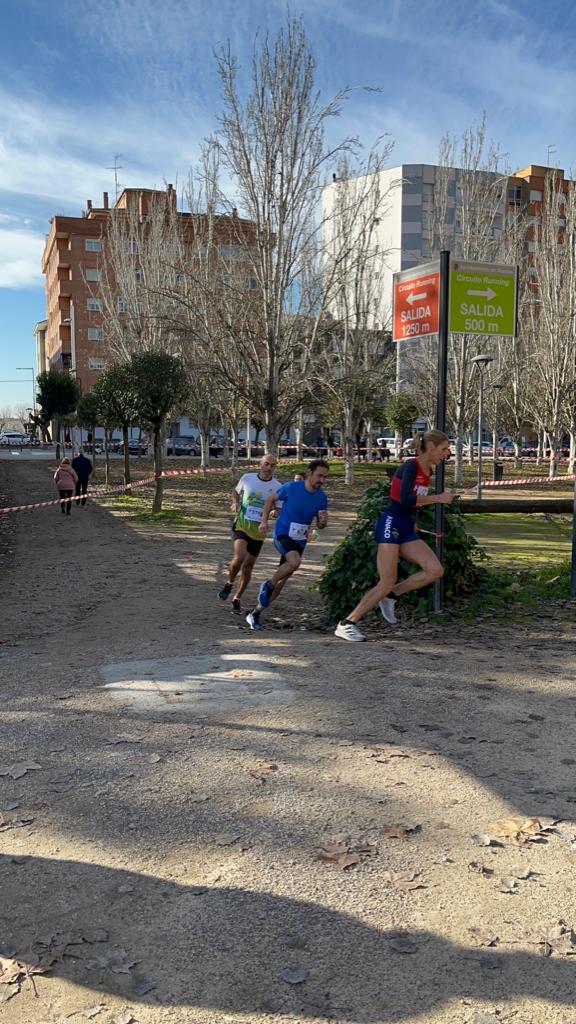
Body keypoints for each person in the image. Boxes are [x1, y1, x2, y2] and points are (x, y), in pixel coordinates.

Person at [334, 429, 454, 642]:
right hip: (391, 523)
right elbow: (406, 499)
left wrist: (414, 522)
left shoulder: (428, 471)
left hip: (406, 527)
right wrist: (439, 498)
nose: (447, 453)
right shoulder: (411, 466)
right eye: (444, 449)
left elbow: (414, 503)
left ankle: (391, 596)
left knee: (435, 570)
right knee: (387, 580)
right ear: (432, 446)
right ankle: (347, 623)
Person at [246, 460, 330, 631]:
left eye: (324, 477)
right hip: (283, 533)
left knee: (282, 581)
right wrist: (264, 521)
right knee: (294, 562)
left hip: (300, 540)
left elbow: (320, 525)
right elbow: (270, 500)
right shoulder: (291, 487)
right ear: (309, 473)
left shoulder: (322, 497)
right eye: (319, 475)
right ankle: (267, 584)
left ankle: (255, 613)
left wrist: (322, 522)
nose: (321, 480)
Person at [218, 454, 282, 612]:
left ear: (275, 467)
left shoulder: (278, 486)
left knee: (248, 567)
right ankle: (229, 582)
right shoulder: (248, 478)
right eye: (266, 464)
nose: (269, 468)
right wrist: (235, 503)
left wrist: (275, 512)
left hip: (259, 531)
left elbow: (279, 507)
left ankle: (237, 597)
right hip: (242, 525)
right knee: (239, 558)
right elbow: (235, 492)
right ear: (260, 464)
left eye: (272, 465)